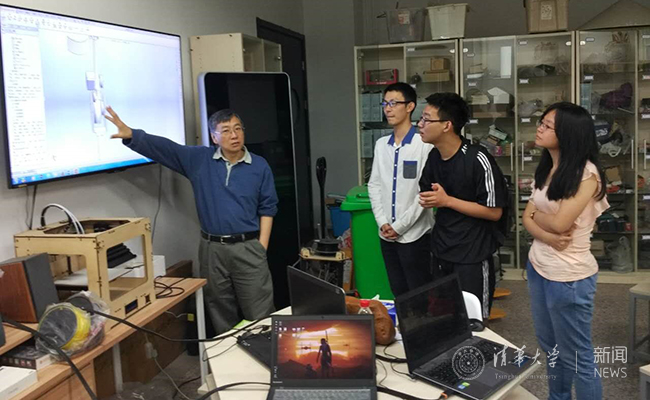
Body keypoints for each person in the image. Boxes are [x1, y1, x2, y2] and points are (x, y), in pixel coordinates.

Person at [104, 106, 278, 335]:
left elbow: (268, 208)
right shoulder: (199, 160)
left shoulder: (259, 165)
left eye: (238, 129)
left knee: (260, 312)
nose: (234, 135)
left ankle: (264, 354)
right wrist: (132, 135)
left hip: (248, 248)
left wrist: (261, 246)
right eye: (226, 130)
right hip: (212, 249)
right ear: (214, 137)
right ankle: (228, 355)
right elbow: (168, 149)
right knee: (219, 308)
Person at [522, 102, 607, 399]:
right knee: (551, 347)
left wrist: (540, 220)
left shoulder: (587, 174)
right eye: (541, 122)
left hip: (568, 276)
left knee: (578, 355)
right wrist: (547, 232)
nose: (539, 128)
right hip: (538, 266)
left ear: (568, 134)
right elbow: (526, 218)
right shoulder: (548, 167)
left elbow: (560, 223)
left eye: (547, 125)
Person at [418, 92, 505, 319]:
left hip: (472, 253)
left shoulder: (477, 158)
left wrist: (447, 201)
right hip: (442, 248)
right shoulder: (434, 157)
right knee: (443, 320)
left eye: (426, 119)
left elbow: (494, 212)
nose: (420, 124)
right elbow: (427, 191)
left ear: (447, 125)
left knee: (473, 321)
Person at [367, 82, 434, 297]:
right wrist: (383, 222)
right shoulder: (381, 145)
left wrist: (400, 226)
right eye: (385, 103)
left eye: (394, 103)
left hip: (415, 234)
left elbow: (425, 193)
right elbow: (374, 185)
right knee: (398, 291)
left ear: (410, 106)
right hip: (387, 234)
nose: (388, 109)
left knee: (420, 294)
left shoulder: (424, 144)